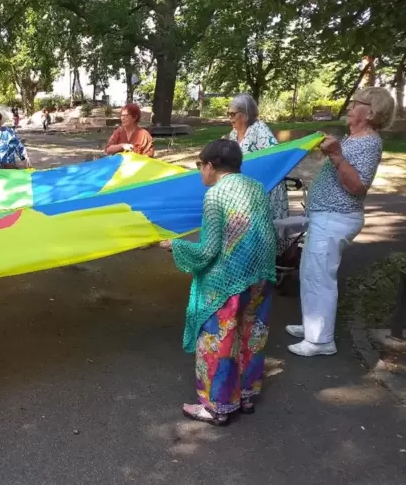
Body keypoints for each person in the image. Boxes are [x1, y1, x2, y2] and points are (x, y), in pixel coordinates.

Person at [160, 139, 276, 425]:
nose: (200, 171)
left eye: (200, 166)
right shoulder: (256, 187)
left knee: (218, 341)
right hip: (260, 274)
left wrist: (176, 246)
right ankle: (247, 394)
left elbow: (209, 250)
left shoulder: (215, 196)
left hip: (228, 280)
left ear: (211, 167)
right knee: (252, 335)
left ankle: (216, 407)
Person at [286, 87, 396, 357]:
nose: (349, 106)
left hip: (336, 218)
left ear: (370, 113)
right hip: (325, 217)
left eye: (356, 103)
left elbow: (358, 186)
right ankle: (312, 326)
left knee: (320, 277)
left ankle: (321, 341)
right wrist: (335, 152)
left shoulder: (369, 142)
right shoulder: (355, 138)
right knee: (311, 273)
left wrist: (336, 155)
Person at [227, 94, 290, 250]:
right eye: (228, 114)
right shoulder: (233, 134)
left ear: (245, 114)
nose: (230, 118)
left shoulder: (259, 129)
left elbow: (275, 157)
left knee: (264, 231)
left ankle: (270, 266)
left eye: (233, 114)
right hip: (245, 191)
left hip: (266, 188)